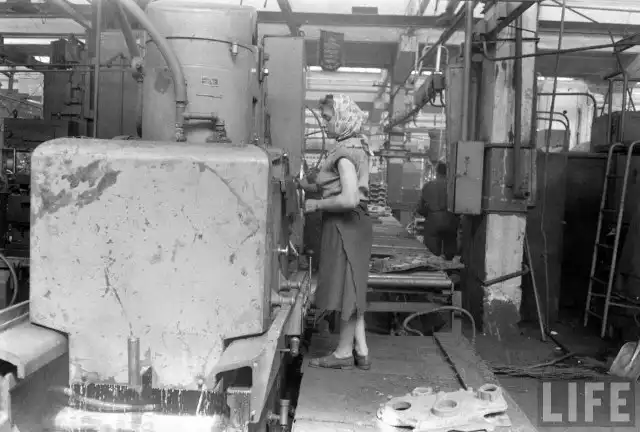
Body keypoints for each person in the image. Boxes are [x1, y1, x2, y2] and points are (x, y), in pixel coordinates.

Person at [299, 94, 373, 370]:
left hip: (346, 225)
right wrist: (308, 185)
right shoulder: (355, 144)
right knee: (352, 287)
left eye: (328, 118)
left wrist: (316, 204)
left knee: (347, 291)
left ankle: (343, 354)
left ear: (342, 118)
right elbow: (335, 185)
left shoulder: (344, 154)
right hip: (350, 225)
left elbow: (350, 198)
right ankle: (361, 350)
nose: (325, 123)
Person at [417, 162, 459, 260]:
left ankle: (434, 264)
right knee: (450, 252)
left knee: (432, 254)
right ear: (448, 172)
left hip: (433, 221)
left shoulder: (428, 186)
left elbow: (420, 208)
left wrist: (428, 214)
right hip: (451, 221)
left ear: (436, 172)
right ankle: (449, 264)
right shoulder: (454, 186)